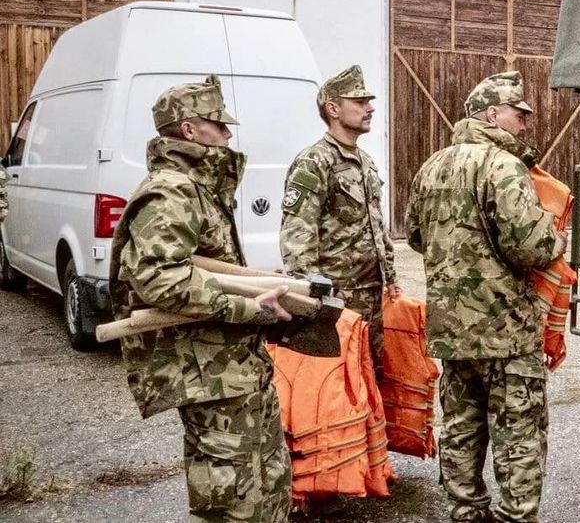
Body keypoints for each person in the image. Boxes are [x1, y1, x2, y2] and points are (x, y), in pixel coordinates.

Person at [110, 75, 293, 523]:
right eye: (219, 124)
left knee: (266, 485)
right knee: (235, 502)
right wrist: (249, 307)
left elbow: (204, 264)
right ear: (189, 130)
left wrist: (253, 279)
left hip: (233, 368)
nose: (229, 134)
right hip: (209, 375)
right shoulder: (173, 190)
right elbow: (159, 278)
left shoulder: (200, 186)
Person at [405, 70, 565, 523]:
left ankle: (465, 511)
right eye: (519, 114)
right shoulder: (502, 166)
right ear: (491, 114)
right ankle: (515, 516)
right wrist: (556, 239)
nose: (525, 124)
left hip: (452, 330)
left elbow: (416, 237)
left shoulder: (431, 165)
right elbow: (529, 247)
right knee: (519, 432)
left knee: (461, 428)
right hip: (506, 332)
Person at [281, 64, 400, 374]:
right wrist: (310, 297)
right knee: (337, 385)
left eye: (368, 101)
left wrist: (391, 277)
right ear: (333, 108)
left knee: (370, 381)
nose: (370, 108)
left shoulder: (365, 162)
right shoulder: (315, 161)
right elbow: (297, 233)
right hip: (337, 299)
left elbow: (376, 224)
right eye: (359, 102)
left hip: (372, 297)